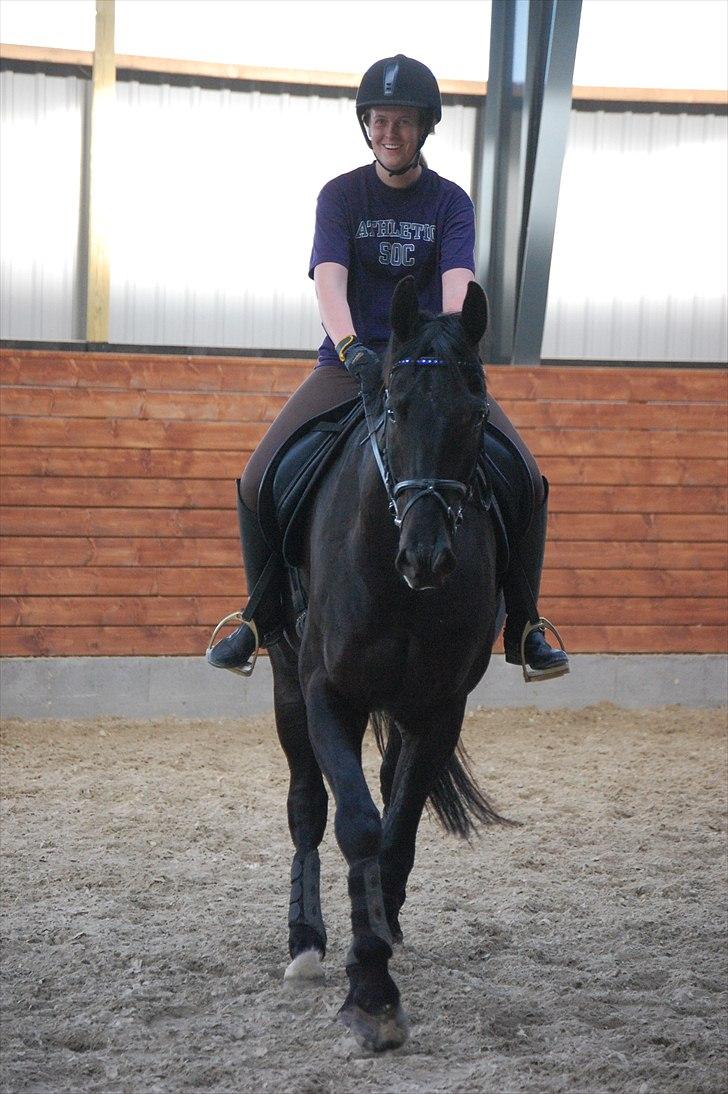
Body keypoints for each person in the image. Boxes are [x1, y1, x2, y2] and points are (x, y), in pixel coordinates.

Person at [206, 54, 569, 682]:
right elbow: (329, 281)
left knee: (527, 481)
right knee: (257, 477)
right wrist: (352, 348)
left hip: (429, 369)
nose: (389, 133)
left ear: (424, 127)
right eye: (378, 120)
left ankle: (526, 626)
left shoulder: (450, 203)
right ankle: (259, 615)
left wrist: (451, 345)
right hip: (350, 364)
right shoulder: (341, 195)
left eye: (402, 122)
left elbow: (459, 285)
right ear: (365, 123)